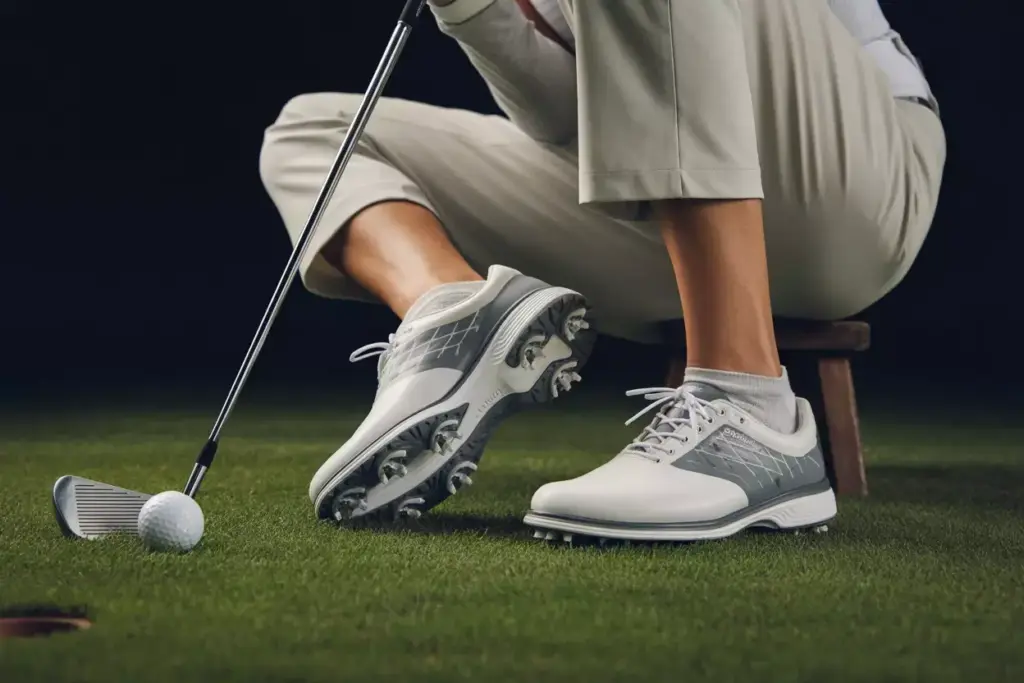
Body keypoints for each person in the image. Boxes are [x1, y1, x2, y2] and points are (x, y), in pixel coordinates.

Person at [259, 0, 945, 541]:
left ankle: (747, 404)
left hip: (851, 184)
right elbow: (566, 121)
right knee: (314, 133)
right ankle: (453, 312)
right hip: (671, 206)